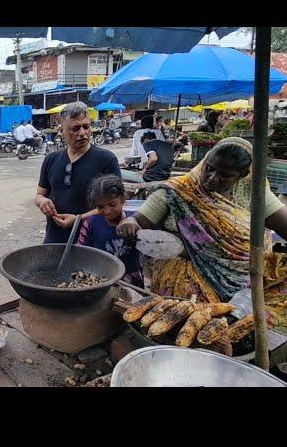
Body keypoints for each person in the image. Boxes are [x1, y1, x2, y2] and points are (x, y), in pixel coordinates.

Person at [116, 137, 287, 332]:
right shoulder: (181, 189)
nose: (213, 178)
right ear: (205, 161)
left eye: (225, 175)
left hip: (246, 277)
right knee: (190, 320)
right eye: (210, 168)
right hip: (189, 275)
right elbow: (139, 218)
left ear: (242, 175)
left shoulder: (255, 192)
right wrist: (130, 222)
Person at [35, 101, 122, 244]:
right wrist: (42, 201)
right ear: (61, 131)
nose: (82, 133)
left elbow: (115, 204)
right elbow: (39, 195)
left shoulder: (106, 160)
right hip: (54, 240)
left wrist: (78, 219)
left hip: (92, 242)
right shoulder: (51, 160)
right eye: (75, 128)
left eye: (86, 127)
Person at [76, 175, 143, 287]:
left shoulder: (136, 221)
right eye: (100, 207)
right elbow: (81, 252)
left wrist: (137, 231)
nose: (107, 211)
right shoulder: (91, 223)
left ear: (122, 199)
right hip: (100, 280)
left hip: (131, 281)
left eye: (112, 204)